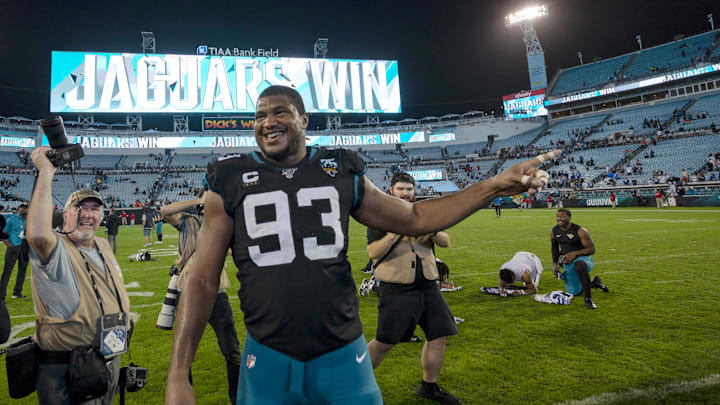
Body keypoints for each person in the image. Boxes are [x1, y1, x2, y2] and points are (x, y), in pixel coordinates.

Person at [165, 85, 559, 405]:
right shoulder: (230, 178)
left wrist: (495, 186)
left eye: (280, 111)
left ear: (304, 119)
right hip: (266, 353)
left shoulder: (339, 171)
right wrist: (178, 374)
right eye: (260, 115)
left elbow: (417, 218)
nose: (268, 121)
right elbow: (201, 279)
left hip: (342, 351)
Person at [26, 147, 131, 405]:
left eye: (95, 209)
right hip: (70, 368)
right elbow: (38, 234)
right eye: (79, 207)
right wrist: (46, 172)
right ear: (65, 213)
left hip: (108, 356)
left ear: (102, 216)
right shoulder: (57, 247)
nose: (88, 214)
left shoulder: (102, 245)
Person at [365, 172, 459, 404]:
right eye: (401, 189)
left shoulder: (424, 213)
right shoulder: (381, 216)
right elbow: (373, 253)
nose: (405, 193)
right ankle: (349, 386)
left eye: (409, 189)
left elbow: (446, 241)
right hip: (397, 288)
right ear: (391, 191)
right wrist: (396, 232)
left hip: (428, 284)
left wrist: (432, 230)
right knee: (384, 342)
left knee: (438, 336)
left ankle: (429, 386)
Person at [161, 195, 242, 405]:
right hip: (187, 290)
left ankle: (237, 399)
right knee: (183, 355)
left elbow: (232, 250)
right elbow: (165, 210)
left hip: (217, 292)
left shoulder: (224, 222)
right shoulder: (187, 221)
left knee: (232, 351)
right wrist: (197, 201)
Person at [550, 209, 608, 310]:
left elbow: (591, 249)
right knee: (575, 292)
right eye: (557, 216)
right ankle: (594, 283)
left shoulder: (580, 231)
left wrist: (575, 253)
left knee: (579, 265)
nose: (559, 219)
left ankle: (588, 299)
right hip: (568, 261)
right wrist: (555, 264)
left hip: (584, 259)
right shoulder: (554, 231)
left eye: (563, 216)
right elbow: (554, 247)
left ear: (569, 217)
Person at [1, 202, 29, 300]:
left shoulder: (30, 220)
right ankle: (1, 296)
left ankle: (17, 292)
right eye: (22, 207)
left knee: (22, 271)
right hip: (14, 247)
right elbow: (3, 233)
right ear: (19, 208)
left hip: (25, 247)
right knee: (7, 271)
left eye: (26, 208)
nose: (24, 209)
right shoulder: (11, 219)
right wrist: (10, 245)